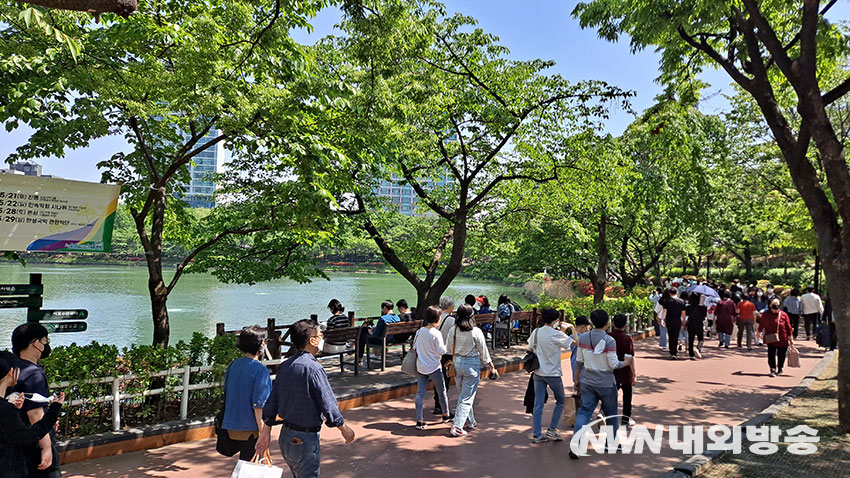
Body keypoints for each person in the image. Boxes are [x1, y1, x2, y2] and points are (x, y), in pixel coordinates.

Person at [257, 319, 355, 478]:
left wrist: (265, 431)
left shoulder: (286, 365)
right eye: (319, 335)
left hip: (286, 436)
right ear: (312, 340)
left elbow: (272, 400)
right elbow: (328, 403)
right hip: (305, 438)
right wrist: (344, 429)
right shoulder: (314, 368)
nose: (322, 337)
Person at [571, 310, 634, 459]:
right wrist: (626, 363)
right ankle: (610, 442)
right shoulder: (609, 341)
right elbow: (613, 364)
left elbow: (579, 361)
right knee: (611, 413)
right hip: (606, 382)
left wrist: (577, 379)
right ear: (607, 324)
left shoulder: (584, 338)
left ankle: (575, 445)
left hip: (587, 380)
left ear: (591, 322)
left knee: (584, 413)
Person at [0, 351, 66, 478]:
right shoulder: (6, 409)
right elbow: (26, 436)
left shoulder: (7, 407)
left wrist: (16, 411)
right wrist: (54, 410)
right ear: (11, 372)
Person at [11, 322, 60, 478]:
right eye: (45, 341)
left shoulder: (10, 368)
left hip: (13, 442)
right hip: (33, 443)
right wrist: (46, 447)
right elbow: (35, 415)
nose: (46, 345)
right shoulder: (33, 374)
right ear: (35, 344)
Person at [222, 326, 273, 460]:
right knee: (250, 465)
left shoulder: (233, 365)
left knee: (244, 465)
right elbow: (258, 406)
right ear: (261, 344)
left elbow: (227, 392)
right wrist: (263, 433)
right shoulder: (260, 370)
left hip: (231, 424)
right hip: (250, 427)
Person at [445, 304, 494, 437]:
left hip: (456, 364)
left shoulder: (453, 330)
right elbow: (484, 352)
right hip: (471, 364)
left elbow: (448, 349)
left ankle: (471, 421)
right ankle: (457, 426)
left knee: (463, 395)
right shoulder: (476, 331)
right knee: (467, 396)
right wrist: (491, 366)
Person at [529, 308, 573, 444]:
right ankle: (552, 429)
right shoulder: (556, 334)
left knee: (538, 404)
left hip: (538, 372)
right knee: (560, 400)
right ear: (555, 320)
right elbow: (573, 342)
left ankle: (537, 434)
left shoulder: (536, 332)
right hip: (552, 373)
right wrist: (571, 328)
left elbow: (530, 347)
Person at [413, 306, 452, 430]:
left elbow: (414, 347)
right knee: (442, 391)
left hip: (421, 366)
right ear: (437, 318)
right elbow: (442, 351)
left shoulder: (419, 331)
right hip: (434, 367)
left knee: (420, 393)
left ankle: (419, 420)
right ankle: (446, 414)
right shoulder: (436, 333)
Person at [608, 314, 635, 425]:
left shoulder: (608, 337)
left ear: (613, 323)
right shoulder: (627, 338)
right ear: (625, 324)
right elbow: (629, 358)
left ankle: (606, 415)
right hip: (624, 371)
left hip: (610, 371)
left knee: (609, 396)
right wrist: (633, 373)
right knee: (627, 396)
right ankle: (625, 418)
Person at [431, 296, 456, 416]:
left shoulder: (436, 317)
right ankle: (442, 406)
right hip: (447, 353)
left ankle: (437, 404)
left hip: (436, 353)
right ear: (451, 307)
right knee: (445, 381)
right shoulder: (452, 320)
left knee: (438, 379)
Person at [357, 300, 401, 366]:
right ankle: (364, 356)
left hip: (381, 340)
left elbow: (376, 334)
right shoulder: (397, 318)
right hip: (391, 338)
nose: (382, 310)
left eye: (382, 308)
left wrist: (369, 331)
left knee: (363, 332)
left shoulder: (383, 319)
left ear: (385, 307)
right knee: (365, 330)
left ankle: (359, 358)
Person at [758, 297, 794, 377]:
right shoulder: (765, 314)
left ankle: (780, 367)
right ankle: (772, 369)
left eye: (777, 304)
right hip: (771, 337)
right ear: (770, 305)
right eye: (774, 304)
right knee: (771, 354)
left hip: (783, 338)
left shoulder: (784, 315)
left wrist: (790, 337)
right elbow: (762, 324)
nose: (776, 306)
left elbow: (788, 327)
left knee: (782, 354)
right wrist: (759, 333)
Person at [659, 288, 686, 359]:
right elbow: (683, 312)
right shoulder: (681, 301)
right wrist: (684, 320)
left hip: (669, 320)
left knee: (670, 336)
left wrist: (662, 319)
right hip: (677, 320)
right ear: (677, 292)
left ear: (670, 293)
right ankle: (674, 352)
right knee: (676, 335)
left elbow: (665, 311)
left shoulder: (666, 301)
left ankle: (672, 352)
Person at [685, 293, 706, 360]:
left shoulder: (688, 307)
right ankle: (698, 348)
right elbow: (704, 317)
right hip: (699, 324)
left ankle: (691, 354)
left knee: (691, 339)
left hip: (690, 324)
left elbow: (686, 314)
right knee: (701, 338)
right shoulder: (702, 307)